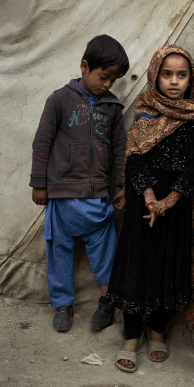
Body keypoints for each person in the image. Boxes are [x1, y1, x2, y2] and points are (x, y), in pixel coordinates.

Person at [107, 47, 194, 371]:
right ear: (155, 76)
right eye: (167, 74)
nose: (174, 81)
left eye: (182, 75)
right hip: (141, 205)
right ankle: (130, 336)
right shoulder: (144, 111)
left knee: (169, 267)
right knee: (136, 267)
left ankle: (157, 332)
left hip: (176, 210)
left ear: (191, 79)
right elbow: (135, 158)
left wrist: (168, 202)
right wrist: (151, 199)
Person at [30, 35, 129, 332]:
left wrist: (119, 186)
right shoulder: (59, 100)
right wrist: (39, 183)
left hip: (97, 194)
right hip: (61, 193)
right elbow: (42, 143)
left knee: (105, 249)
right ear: (85, 66)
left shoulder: (112, 107)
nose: (108, 84)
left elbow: (119, 150)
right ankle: (63, 304)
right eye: (104, 76)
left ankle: (107, 301)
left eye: (114, 80)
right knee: (59, 250)